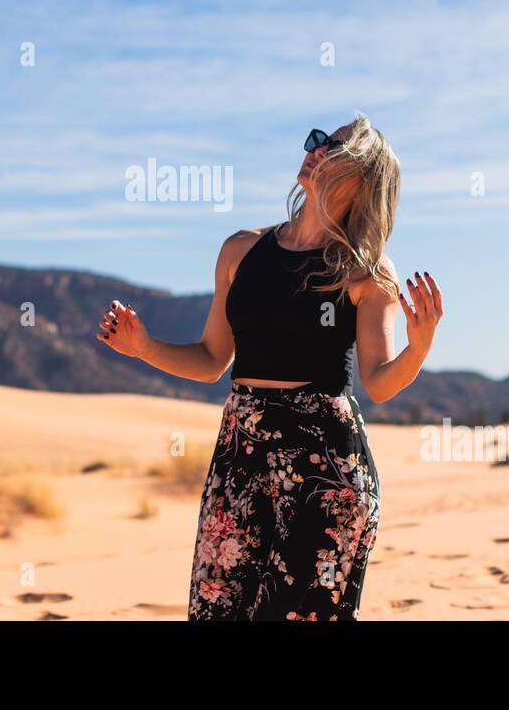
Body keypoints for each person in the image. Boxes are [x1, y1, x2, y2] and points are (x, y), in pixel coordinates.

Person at [97, 114, 444, 620]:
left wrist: (417, 349)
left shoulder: (365, 269)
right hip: (240, 460)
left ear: (363, 178)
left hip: (325, 474)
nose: (317, 149)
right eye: (319, 140)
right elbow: (212, 359)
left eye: (336, 148)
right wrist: (145, 347)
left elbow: (379, 382)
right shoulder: (240, 251)